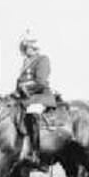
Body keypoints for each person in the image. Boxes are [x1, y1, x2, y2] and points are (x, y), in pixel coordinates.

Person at [15, 32, 56, 163]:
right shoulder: (25, 63)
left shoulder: (42, 59)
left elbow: (41, 82)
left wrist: (26, 88)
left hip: (40, 96)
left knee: (32, 112)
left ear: (34, 47)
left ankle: (35, 152)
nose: (25, 50)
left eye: (27, 47)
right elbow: (19, 83)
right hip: (25, 98)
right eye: (24, 47)